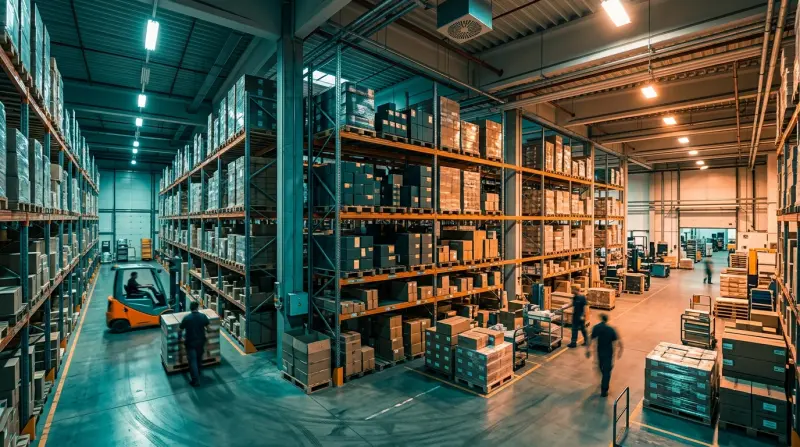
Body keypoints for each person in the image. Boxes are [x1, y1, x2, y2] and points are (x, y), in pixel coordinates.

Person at [586, 313, 623, 397]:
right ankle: (604, 390)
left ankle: (603, 380)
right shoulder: (611, 329)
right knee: (607, 371)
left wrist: (587, 350)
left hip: (600, 352)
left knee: (600, 367)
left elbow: (590, 339)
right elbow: (619, 342)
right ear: (607, 320)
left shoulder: (596, 328)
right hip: (608, 353)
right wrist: (620, 351)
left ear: (601, 319)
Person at [180, 301, 210, 386]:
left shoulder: (187, 318)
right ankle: (198, 372)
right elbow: (209, 329)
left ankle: (195, 380)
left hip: (190, 342)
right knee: (199, 358)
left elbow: (180, 328)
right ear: (198, 307)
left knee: (192, 361)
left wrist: (181, 337)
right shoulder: (203, 316)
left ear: (190, 308)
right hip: (201, 341)